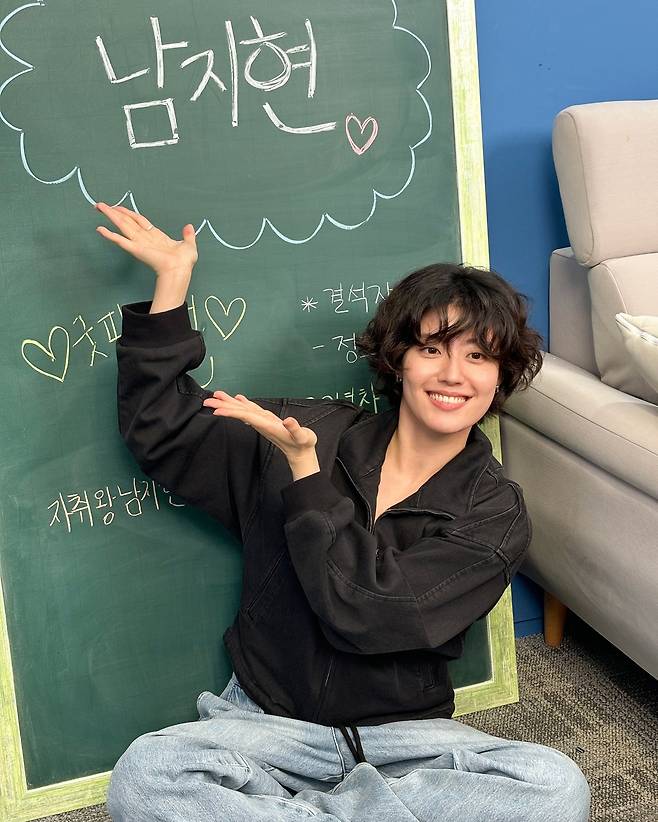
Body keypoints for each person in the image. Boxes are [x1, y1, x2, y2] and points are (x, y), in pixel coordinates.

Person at [97, 202, 591, 822]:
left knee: (555, 787)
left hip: (406, 740)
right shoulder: (308, 431)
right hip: (266, 725)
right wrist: (171, 285)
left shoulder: (494, 514)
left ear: (501, 376)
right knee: (146, 777)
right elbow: (162, 429)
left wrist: (307, 480)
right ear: (398, 360)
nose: (452, 375)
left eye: (478, 357)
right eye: (432, 349)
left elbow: (369, 613)